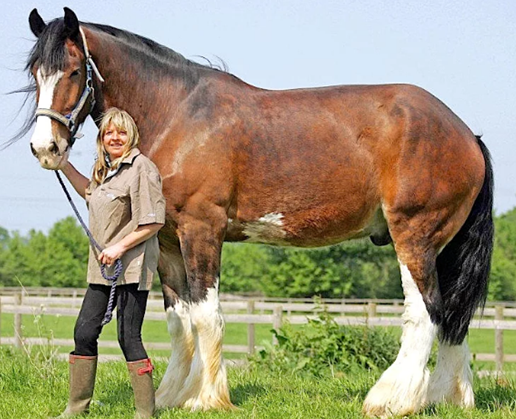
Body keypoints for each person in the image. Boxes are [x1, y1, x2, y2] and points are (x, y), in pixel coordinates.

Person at [57, 108, 165, 418]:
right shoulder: (104, 170)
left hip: (131, 266)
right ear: (101, 139)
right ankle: (77, 407)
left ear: (131, 136)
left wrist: (118, 247)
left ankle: (146, 412)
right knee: (84, 332)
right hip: (102, 269)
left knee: (128, 337)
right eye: (108, 133)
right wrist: (64, 166)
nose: (114, 138)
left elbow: (153, 221)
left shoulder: (142, 168)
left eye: (121, 132)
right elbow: (90, 194)